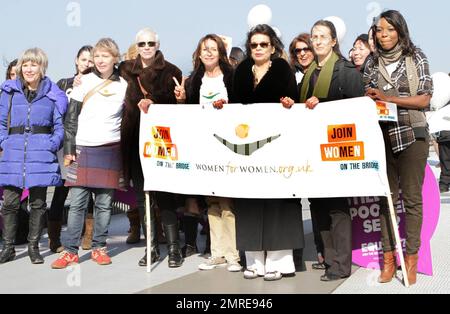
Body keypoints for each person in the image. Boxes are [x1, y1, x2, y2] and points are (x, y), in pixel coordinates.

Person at [282, 19, 364, 281]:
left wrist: (324, 104)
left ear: (333, 41)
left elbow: (356, 111)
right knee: (318, 207)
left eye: (322, 37)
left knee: (337, 209)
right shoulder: (308, 75)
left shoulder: (347, 71)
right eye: (314, 36)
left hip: (337, 150)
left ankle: (341, 265)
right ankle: (330, 260)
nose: (316, 41)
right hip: (312, 152)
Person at [364, 10, 433, 285]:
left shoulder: (416, 57)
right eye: (380, 30)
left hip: (412, 135)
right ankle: (389, 260)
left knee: (413, 200)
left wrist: (387, 98)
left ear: (400, 31)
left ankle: (411, 259)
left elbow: (425, 99)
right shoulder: (371, 61)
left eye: (390, 29)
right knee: (386, 200)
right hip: (381, 137)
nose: (384, 34)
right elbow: (367, 96)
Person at [232, 24, 304, 281]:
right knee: (249, 202)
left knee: (278, 203)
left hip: (277, 147)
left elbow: (294, 100)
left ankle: (279, 262)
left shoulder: (284, 68)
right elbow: (233, 104)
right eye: (254, 45)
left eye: (264, 44)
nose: (259, 48)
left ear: (273, 47)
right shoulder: (239, 71)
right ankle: (253, 261)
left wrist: (288, 103)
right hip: (247, 149)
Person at [51, 38, 127, 269]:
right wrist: (70, 149)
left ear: (116, 58)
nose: (101, 60)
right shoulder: (83, 81)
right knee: (77, 204)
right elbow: (71, 118)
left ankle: (99, 248)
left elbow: (129, 117)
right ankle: (70, 252)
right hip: (82, 148)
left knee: (104, 204)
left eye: (106, 56)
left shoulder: (124, 84)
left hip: (111, 148)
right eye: (97, 56)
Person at [173, 34, 241, 272]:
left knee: (227, 202)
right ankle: (217, 253)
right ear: (198, 54)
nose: (209, 53)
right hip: (203, 147)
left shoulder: (233, 77)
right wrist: (181, 100)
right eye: (205, 49)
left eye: (213, 49)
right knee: (211, 201)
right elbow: (188, 112)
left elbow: (243, 107)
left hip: (229, 146)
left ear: (221, 52)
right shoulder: (193, 81)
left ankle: (233, 254)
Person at [119, 28, 184, 268]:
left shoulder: (172, 71)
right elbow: (100, 70)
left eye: (151, 43)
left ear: (158, 44)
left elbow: (177, 107)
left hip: (160, 142)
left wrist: (157, 103)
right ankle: (151, 248)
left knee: (165, 195)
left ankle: (174, 248)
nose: (146, 47)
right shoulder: (125, 71)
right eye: (142, 43)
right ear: (136, 46)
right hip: (134, 140)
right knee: (142, 197)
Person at [0, 48, 67, 264]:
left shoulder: (52, 93)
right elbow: (0, 122)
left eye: (34, 64)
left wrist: (52, 144)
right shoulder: (9, 92)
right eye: (25, 65)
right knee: (10, 202)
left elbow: (59, 126)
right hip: (13, 153)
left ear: (42, 67)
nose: (29, 69)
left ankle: (34, 247)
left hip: (42, 153)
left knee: (38, 203)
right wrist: (5, 141)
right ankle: (8, 247)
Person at [47, 45, 94, 254]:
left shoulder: (99, 85)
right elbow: (54, 112)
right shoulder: (63, 83)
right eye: (83, 59)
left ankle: (88, 235)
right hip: (65, 145)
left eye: (91, 60)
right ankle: (54, 238)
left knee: (88, 190)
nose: (87, 63)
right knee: (60, 191)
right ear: (76, 60)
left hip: (87, 143)